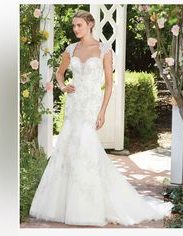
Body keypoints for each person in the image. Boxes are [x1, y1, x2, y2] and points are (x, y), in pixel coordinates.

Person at [29, 9, 173, 227]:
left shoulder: (104, 49)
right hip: (74, 104)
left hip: (90, 106)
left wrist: (103, 111)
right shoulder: (71, 49)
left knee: (86, 148)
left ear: (90, 24)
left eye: (79, 25)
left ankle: (87, 206)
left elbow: (108, 83)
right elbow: (59, 73)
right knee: (68, 149)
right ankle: (63, 205)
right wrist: (62, 86)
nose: (76, 29)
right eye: (74, 26)